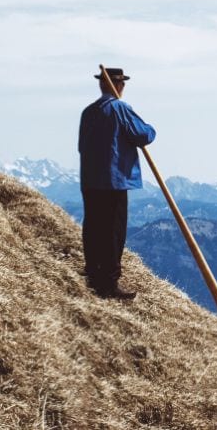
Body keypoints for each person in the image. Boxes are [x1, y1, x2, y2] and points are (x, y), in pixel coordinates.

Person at [78, 68, 156, 299]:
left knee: (93, 226)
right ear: (118, 86)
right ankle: (109, 283)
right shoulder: (120, 109)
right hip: (114, 180)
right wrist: (151, 129)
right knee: (113, 230)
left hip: (90, 179)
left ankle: (93, 274)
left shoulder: (88, 112)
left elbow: (81, 146)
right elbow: (143, 135)